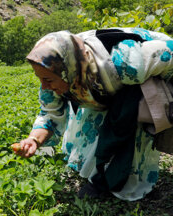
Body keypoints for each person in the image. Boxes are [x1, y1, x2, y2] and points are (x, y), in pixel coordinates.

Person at [15, 28, 173, 201]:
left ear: (68, 70)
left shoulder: (126, 62)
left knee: (125, 116)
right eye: (40, 78)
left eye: (48, 80)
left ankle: (115, 177)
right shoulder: (56, 70)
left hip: (145, 69)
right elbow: (49, 112)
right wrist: (34, 140)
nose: (44, 86)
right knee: (95, 119)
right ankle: (101, 172)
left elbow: (167, 52)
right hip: (99, 86)